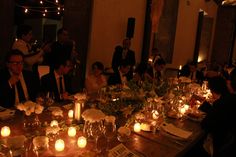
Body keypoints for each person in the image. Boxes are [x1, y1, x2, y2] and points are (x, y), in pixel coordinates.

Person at [199, 76, 236, 157]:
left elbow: (205, 125)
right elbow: (219, 113)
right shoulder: (230, 98)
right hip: (228, 140)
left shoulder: (221, 103)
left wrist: (199, 117)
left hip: (219, 142)